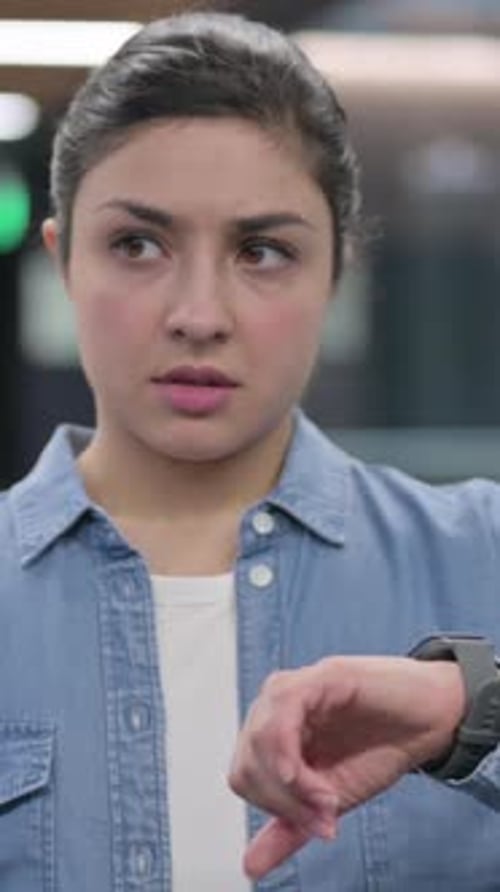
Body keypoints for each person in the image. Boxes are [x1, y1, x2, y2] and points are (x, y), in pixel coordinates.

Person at [1, 9, 499, 892]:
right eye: (138, 244)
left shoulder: (480, 554)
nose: (199, 313)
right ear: (63, 260)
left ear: (337, 271)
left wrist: (477, 706)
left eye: (262, 250)